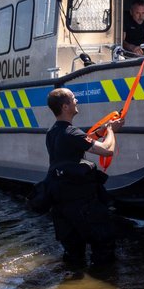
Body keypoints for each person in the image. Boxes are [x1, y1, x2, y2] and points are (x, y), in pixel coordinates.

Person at [45, 87, 124, 270]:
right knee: (104, 247)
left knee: (74, 256)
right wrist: (111, 130)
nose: (77, 101)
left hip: (61, 205)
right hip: (81, 203)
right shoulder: (72, 133)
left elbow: (80, 142)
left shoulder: (53, 133)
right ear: (65, 107)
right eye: (73, 98)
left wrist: (101, 131)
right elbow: (107, 150)